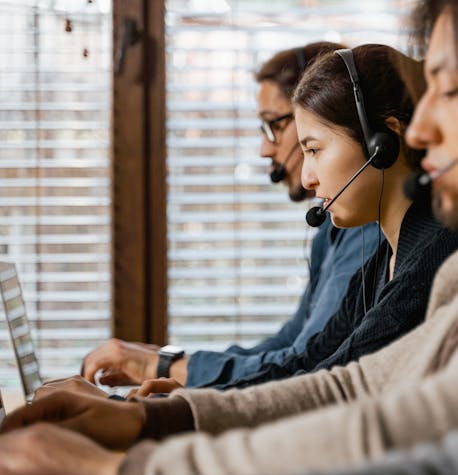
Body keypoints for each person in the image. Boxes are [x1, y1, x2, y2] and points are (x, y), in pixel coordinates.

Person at [0, 0, 458, 475]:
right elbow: (358, 381)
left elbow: (421, 429)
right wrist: (152, 421)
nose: (420, 133)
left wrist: (123, 471)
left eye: (448, 90)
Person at [70, 42, 382, 391]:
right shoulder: (334, 226)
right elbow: (291, 345)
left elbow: (302, 366)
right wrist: (167, 364)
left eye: (273, 126)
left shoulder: (367, 229)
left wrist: (161, 366)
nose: (265, 148)